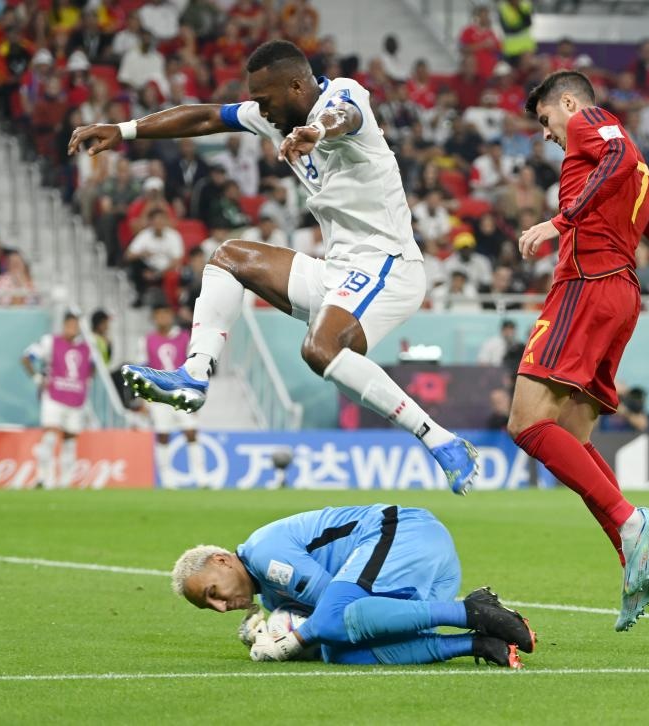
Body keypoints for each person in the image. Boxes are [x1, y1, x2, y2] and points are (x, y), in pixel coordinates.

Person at [69, 40, 479, 494]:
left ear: (297, 86)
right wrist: (124, 130)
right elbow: (206, 117)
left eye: (266, 99)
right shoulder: (274, 116)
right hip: (339, 270)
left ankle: (441, 441)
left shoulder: (343, 94)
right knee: (228, 258)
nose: (261, 109)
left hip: (389, 265)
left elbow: (343, 117)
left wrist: (316, 131)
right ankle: (195, 374)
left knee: (319, 348)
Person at [514, 71, 649, 631]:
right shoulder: (642, 177)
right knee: (571, 438)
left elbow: (617, 152)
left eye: (546, 120)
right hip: (621, 296)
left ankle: (630, 522)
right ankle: (634, 558)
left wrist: (560, 221)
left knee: (526, 424)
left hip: (585, 285)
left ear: (568, 102)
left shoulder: (592, 124)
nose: (548, 134)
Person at [171, 504, 534, 666]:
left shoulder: (264, 554)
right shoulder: (269, 596)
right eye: (210, 607)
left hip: (402, 532)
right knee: (340, 653)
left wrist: (286, 643)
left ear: (221, 560)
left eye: (212, 593)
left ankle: (471, 611)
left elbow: (333, 614)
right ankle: (477, 643)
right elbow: (336, 633)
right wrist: (275, 632)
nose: (221, 606)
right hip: (421, 573)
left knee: (334, 622)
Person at [140, 302, 208, 489]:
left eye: (166, 314)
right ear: (154, 318)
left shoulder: (184, 337)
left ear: (172, 316)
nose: (163, 318)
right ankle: (167, 478)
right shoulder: (147, 340)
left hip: (182, 393)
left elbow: (194, 367)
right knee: (163, 435)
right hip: (159, 395)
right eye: (159, 315)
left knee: (191, 432)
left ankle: (201, 476)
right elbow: (143, 369)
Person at [22, 312, 93, 489]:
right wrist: (37, 378)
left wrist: (85, 383)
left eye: (76, 325)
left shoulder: (86, 348)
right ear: (64, 325)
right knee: (50, 437)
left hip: (76, 399)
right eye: (70, 324)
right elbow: (27, 357)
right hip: (54, 396)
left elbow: (91, 368)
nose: (73, 328)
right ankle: (43, 477)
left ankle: (65, 482)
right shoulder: (50, 342)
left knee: (70, 441)